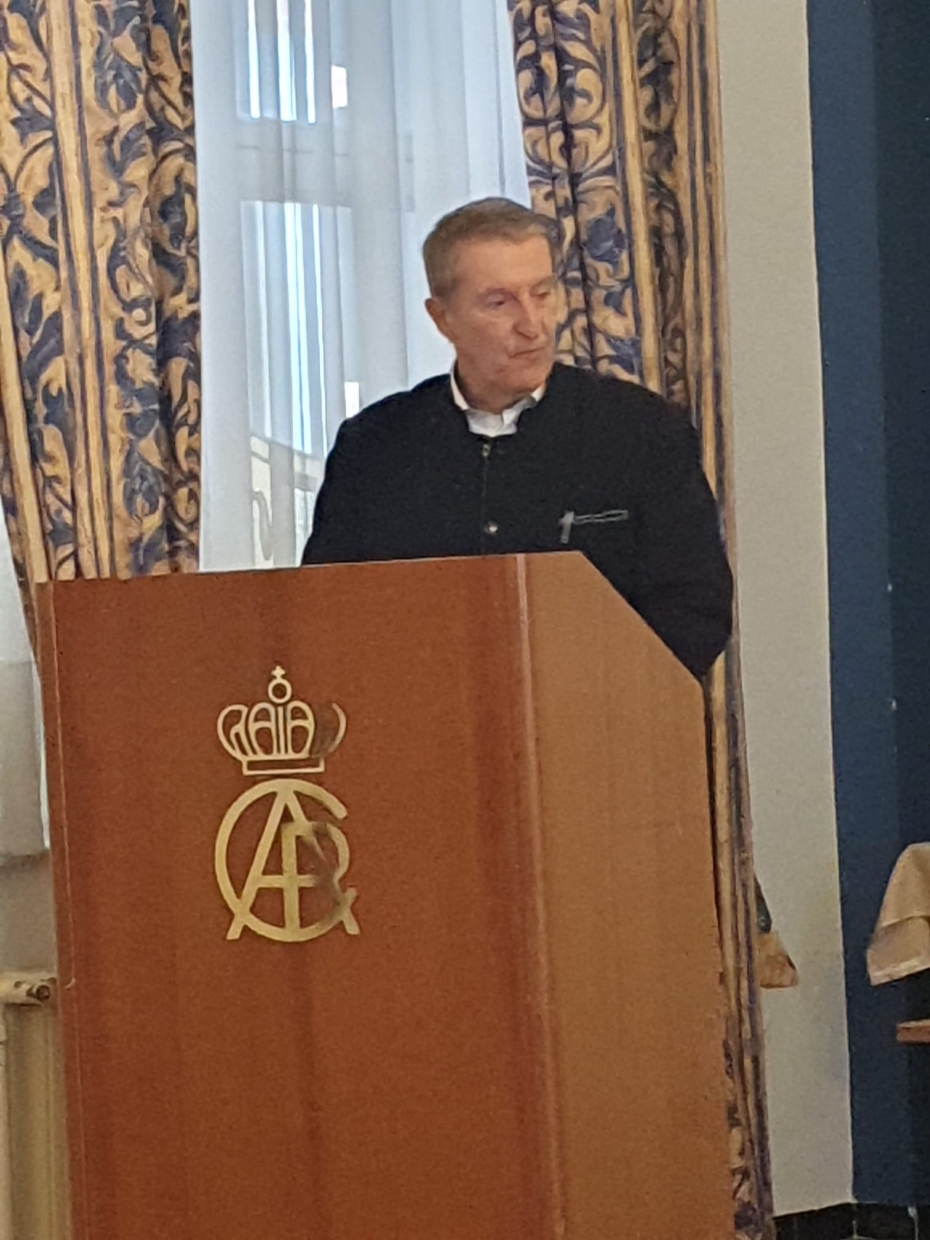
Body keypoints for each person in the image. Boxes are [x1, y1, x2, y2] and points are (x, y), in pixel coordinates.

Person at [302, 198, 732, 678]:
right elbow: (324, 611)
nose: (532, 326)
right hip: (421, 709)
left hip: (605, 710)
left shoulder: (644, 431)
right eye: (499, 302)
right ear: (442, 318)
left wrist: (583, 688)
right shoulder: (373, 446)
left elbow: (696, 609)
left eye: (543, 294)